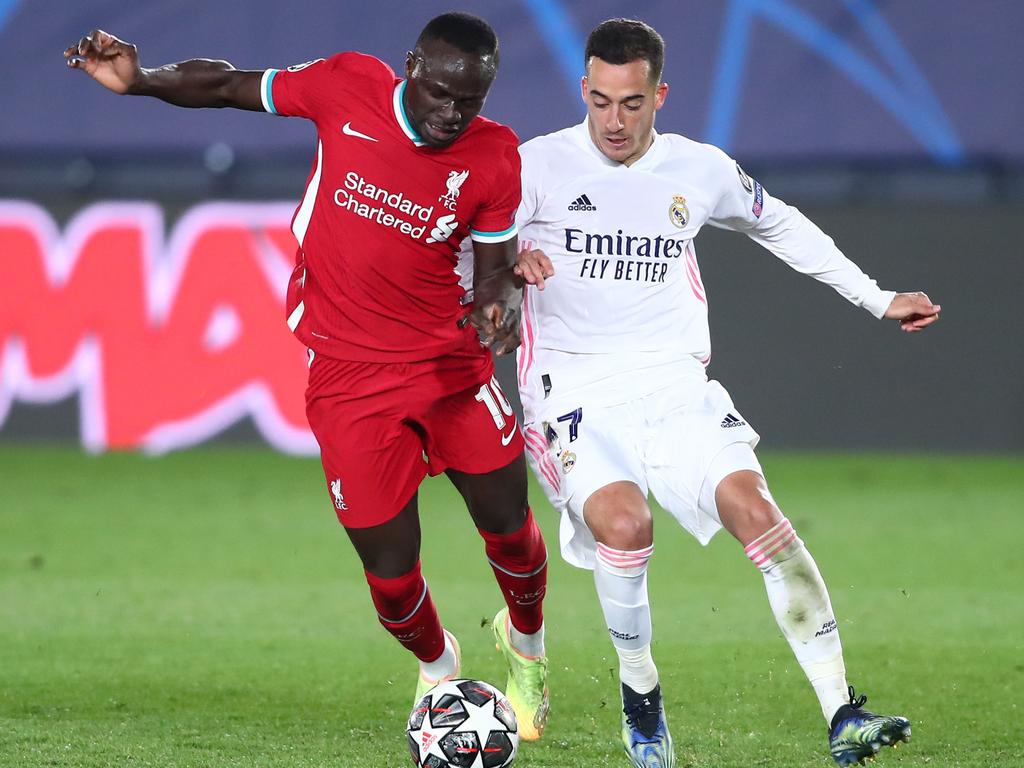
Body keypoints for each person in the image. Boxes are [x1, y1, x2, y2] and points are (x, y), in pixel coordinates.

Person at [65, 13, 551, 740]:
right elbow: (229, 84)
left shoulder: (493, 156)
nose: (453, 114)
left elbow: (492, 274)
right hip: (350, 376)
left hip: (451, 369)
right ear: (410, 64)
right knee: (391, 578)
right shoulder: (347, 86)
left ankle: (529, 650)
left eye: (470, 101)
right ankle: (439, 667)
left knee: (510, 529)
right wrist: (141, 83)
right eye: (442, 94)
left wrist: (499, 311)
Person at [512, 18, 938, 768]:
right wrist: (510, 260)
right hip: (572, 386)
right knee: (625, 526)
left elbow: (782, 227)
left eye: (633, 103)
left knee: (757, 509)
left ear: (660, 96)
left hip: (674, 384)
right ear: (584, 89)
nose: (615, 120)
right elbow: (468, 246)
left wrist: (876, 297)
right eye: (602, 100)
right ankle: (641, 700)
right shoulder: (536, 166)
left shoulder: (698, 169)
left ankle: (842, 712)